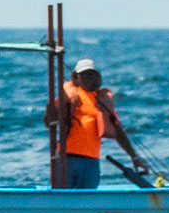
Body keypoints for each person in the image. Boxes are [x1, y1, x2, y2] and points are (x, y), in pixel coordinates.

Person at [45, 58, 147, 188]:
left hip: (91, 160)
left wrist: (135, 157)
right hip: (67, 158)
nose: (90, 77)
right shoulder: (69, 96)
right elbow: (48, 121)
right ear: (77, 77)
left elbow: (117, 131)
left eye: (92, 74)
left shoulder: (102, 101)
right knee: (63, 199)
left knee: (87, 201)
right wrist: (52, 111)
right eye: (85, 74)